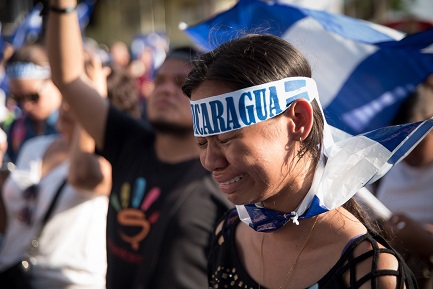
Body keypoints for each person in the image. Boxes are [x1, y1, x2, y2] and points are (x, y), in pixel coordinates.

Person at [181, 33, 419, 289]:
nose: (210, 161)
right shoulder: (228, 233)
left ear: (298, 121)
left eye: (227, 139)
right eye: (202, 143)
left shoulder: (370, 273)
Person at [46, 1, 232, 289]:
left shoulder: (226, 176)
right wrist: (63, 8)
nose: (166, 90)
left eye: (182, 84)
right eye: (160, 81)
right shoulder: (130, 141)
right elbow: (68, 78)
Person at [0, 98, 111, 288]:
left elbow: (82, 174)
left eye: (77, 98)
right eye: (66, 97)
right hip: (14, 275)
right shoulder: (33, 147)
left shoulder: (103, 164)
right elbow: (10, 223)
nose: (67, 106)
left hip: (67, 282)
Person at [375, 82, 433, 289]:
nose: (405, 151)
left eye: (415, 139)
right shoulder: (382, 166)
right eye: (398, 140)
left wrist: (423, 240)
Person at [5, 43, 61, 164]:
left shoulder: (71, 128)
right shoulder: (17, 128)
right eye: (17, 98)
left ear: (53, 81)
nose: (26, 106)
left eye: (33, 97)